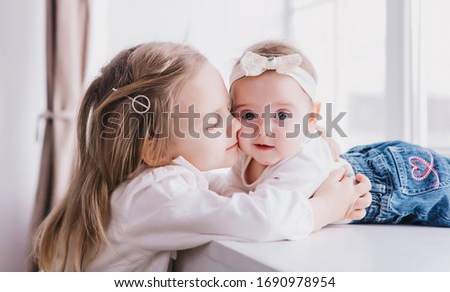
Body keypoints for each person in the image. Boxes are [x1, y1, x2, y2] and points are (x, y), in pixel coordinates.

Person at [33, 42, 371, 271]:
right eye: (215, 121)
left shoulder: (150, 187)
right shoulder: (156, 195)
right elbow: (260, 219)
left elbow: (212, 190)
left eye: (229, 111)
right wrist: (323, 208)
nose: (237, 126)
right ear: (154, 148)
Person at [222, 39, 450, 227]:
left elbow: (267, 213)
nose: (264, 129)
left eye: (282, 116)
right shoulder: (243, 154)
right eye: (248, 116)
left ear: (311, 119)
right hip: (362, 161)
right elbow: (231, 190)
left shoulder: (304, 159)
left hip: (398, 181)